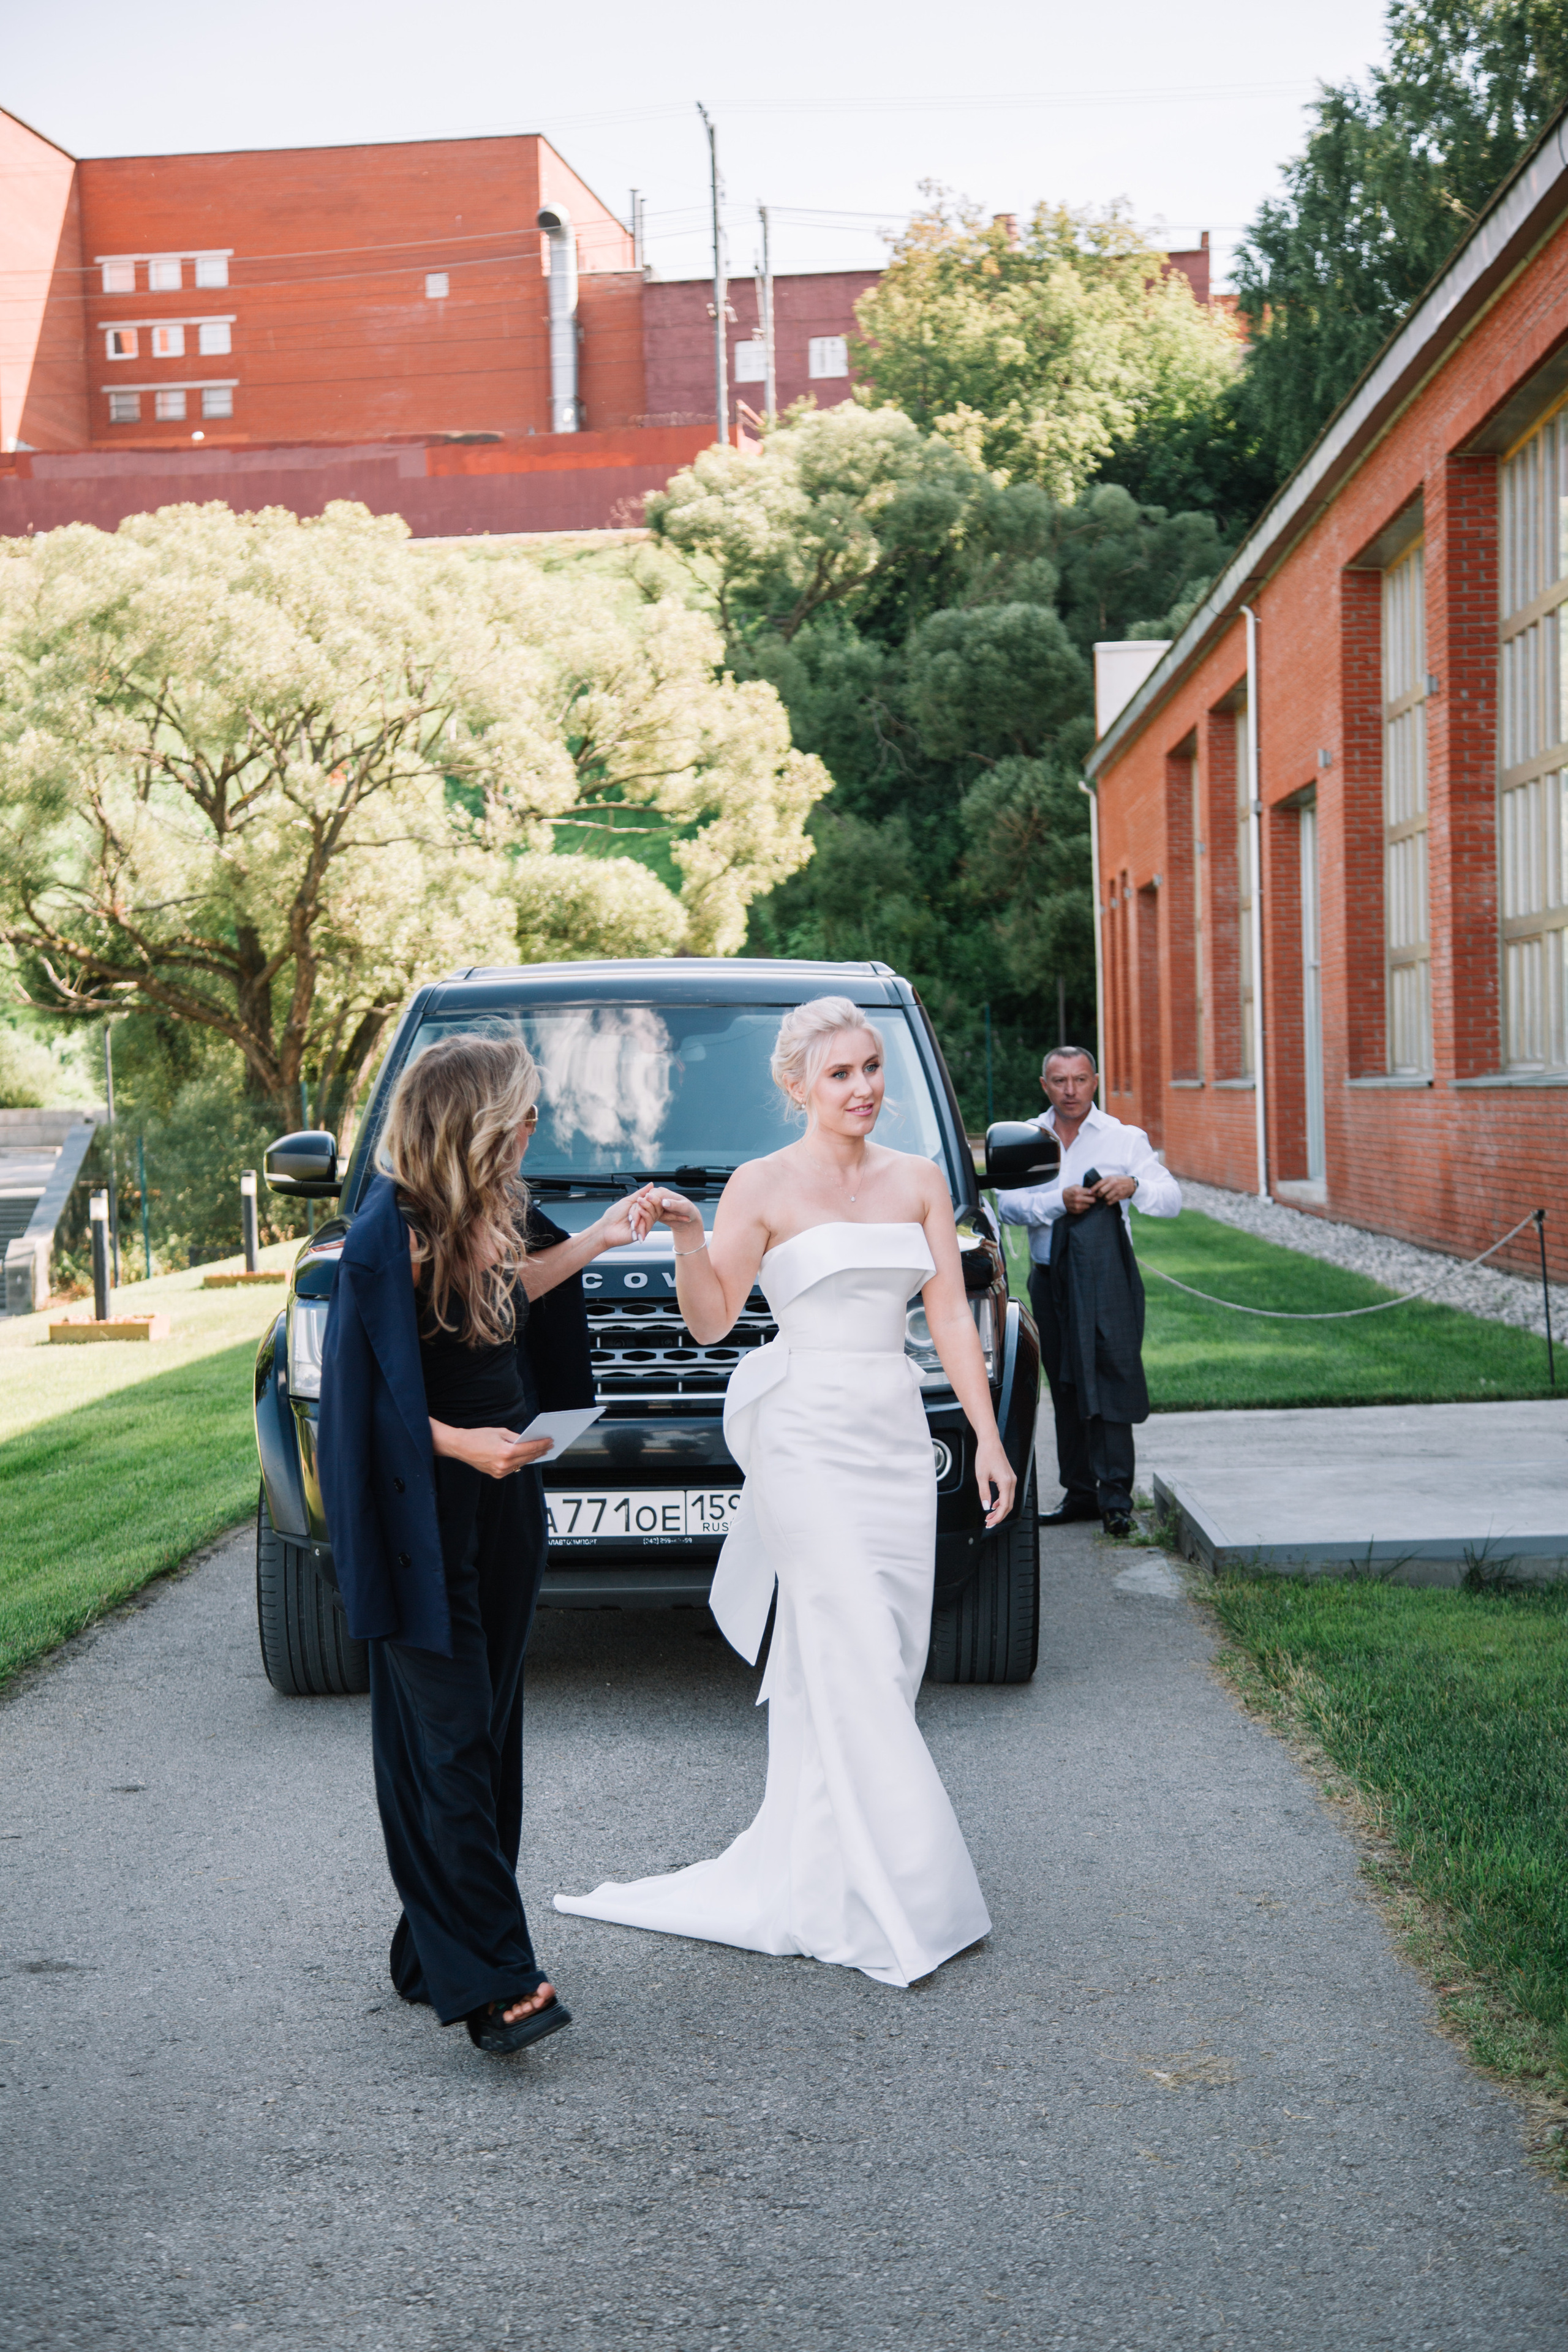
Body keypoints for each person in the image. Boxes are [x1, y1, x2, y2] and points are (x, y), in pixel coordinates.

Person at [554, 996, 1011, 1988]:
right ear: (798, 1086)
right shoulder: (761, 1185)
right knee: (845, 1637)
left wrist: (987, 1436)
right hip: (805, 1435)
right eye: (841, 1073)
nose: (864, 1088)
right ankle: (905, 1894)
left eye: (872, 1067)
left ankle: (821, 1875)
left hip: (891, 1431)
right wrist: (687, 1236)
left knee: (881, 1655)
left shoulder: (921, 1180)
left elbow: (947, 1319)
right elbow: (714, 1322)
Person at [317, 1034, 658, 2056]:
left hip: (508, 1500)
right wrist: (462, 1445)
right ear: (476, 1125)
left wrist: (600, 1237)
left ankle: (436, 1947)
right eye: (523, 1113)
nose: (536, 1128)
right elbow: (357, 1407)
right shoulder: (393, 1235)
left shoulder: (495, 1210)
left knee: (486, 1727)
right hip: (425, 1513)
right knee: (453, 1734)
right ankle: (501, 1979)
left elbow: (519, 1287)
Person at [995, 1044, 1180, 1538]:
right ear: (1044, 1085)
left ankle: (1116, 1497)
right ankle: (1079, 1493)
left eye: (1080, 1080)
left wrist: (1134, 1186)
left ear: (1095, 1080)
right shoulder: (1029, 1138)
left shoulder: (1123, 1138)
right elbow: (1005, 1204)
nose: (1071, 1090)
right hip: (1050, 1278)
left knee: (1111, 1375)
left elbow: (1172, 1199)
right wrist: (1059, 1201)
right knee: (1065, 1381)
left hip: (1107, 1280)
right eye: (1060, 1081)